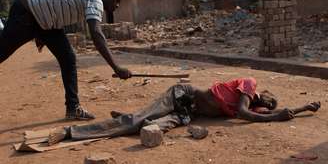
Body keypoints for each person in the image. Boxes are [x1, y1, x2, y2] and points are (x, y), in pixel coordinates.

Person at [47, 77, 321, 145]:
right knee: (137, 121)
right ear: (262, 95)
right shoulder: (249, 86)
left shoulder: (252, 106)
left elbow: (270, 113)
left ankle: (130, 117)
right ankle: (70, 131)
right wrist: (273, 115)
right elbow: (243, 112)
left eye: (266, 108)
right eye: (266, 104)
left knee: (141, 128)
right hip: (182, 95)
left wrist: (303, 107)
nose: (266, 108)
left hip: (186, 114)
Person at [0, 0, 132, 120]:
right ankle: (72, 107)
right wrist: (117, 68)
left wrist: (42, 36)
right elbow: (96, 34)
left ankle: (73, 108)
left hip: (44, 23)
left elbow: (56, 6)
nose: (117, 5)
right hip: (27, 13)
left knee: (68, 59)